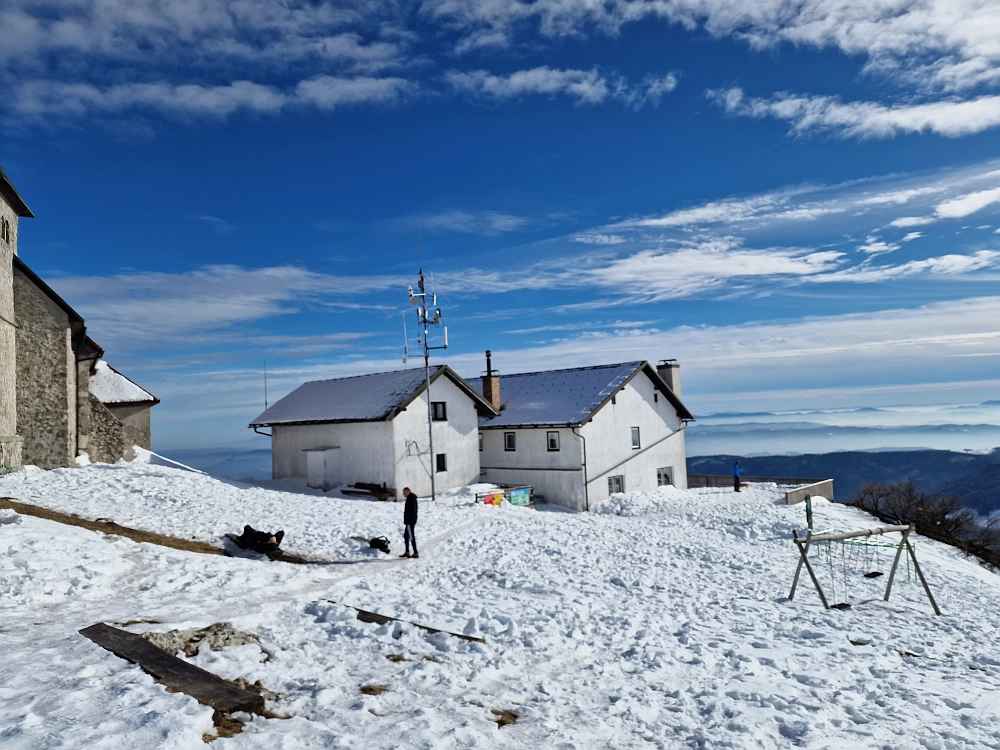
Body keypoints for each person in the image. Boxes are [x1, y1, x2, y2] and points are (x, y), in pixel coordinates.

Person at [401, 487, 419, 559]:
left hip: (410, 521)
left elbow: (413, 511)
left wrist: (409, 521)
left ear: (408, 492)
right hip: (408, 521)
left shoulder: (411, 499)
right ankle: (407, 551)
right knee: (406, 536)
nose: (403, 494)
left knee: (411, 537)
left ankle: (415, 552)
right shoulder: (409, 498)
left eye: (404, 492)